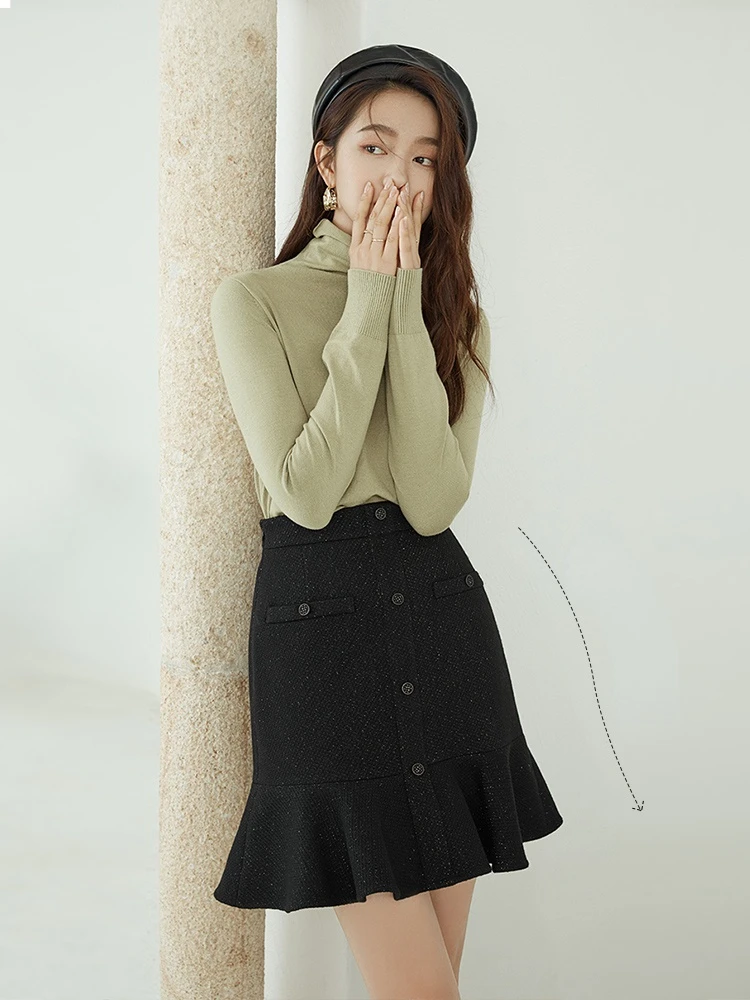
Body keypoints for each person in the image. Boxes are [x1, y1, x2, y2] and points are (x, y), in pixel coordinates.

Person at [209, 43, 564, 1000]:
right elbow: (306, 492)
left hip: (442, 619)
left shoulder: (458, 317)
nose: (398, 176)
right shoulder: (254, 302)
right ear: (326, 161)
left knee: (433, 983)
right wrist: (369, 299)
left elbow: (434, 501)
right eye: (375, 147)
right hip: (321, 637)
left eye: (424, 157)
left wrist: (404, 304)